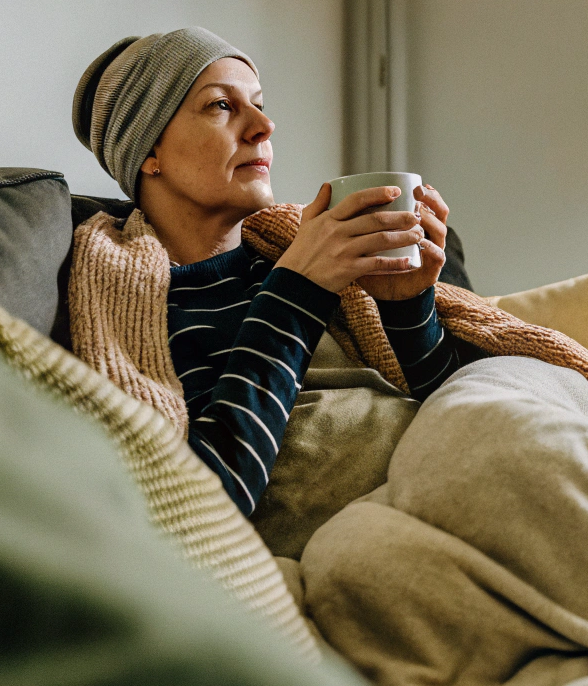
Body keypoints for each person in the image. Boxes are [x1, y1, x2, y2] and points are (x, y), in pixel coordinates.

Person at [73, 27, 482, 516]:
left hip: (449, 471)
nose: (262, 126)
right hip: (364, 520)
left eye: (259, 104)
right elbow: (205, 503)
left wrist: (407, 307)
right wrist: (300, 288)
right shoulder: (130, 299)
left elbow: (460, 407)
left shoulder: (299, 247)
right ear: (149, 153)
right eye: (221, 106)